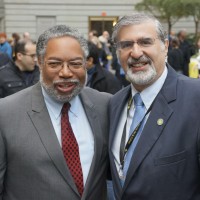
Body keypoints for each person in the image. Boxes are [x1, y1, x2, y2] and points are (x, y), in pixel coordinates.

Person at [0, 25, 111, 200]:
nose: (65, 72)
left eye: (75, 64)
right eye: (54, 64)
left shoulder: (105, 105)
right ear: (40, 62)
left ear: (86, 63)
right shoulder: (5, 114)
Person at [109, 13, 200, 200]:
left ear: (165, 46)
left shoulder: (195, 98)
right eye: (126, 45)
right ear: (118, 53)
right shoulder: (114, 104)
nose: (135, 53)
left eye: (145, 42)